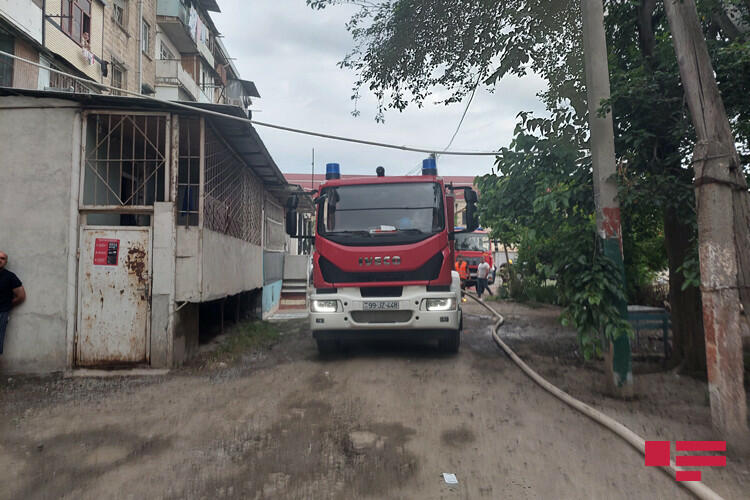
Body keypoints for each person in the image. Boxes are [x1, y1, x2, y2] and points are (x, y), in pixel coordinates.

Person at [0, 252, 25, 354]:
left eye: (2, 258)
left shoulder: (10, 277)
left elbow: (21, 296)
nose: (0, 260)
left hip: (1, 313)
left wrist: (7, 305)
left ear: (6, 262)